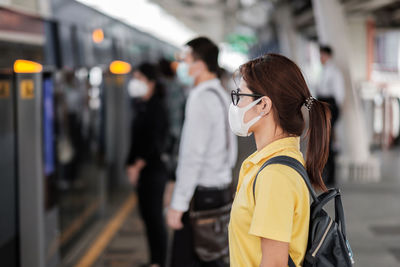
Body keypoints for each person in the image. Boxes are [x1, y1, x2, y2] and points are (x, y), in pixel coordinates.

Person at [228, 54, 331, 267]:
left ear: (263, 105)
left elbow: (274, 264)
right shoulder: (274, 163)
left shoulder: (274, 176)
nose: (236, 106)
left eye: (241, 96)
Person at [166, 37, 237, 267]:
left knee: (187, 259)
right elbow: (231, 148)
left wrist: (178, 204)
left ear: (200, 63)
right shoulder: (221, 94)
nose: (183, 66)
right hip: (221, 189)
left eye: (187, 60)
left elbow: (191, 156)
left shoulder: (200, 99)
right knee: (213, 256)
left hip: (201, 196)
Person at [126, 63, 169, 267]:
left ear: (151, 82)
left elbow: (155, 143)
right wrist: (130, 163)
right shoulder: (141, 105)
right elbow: (136, 140)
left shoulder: (156, 107)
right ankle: (154, 260)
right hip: (145, 172)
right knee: (147, 217)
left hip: (153, 172)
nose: (135, 83)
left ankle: (158, 262)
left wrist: (136, 166)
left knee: (154, 219)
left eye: (139, 79)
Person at [316, 45, 345, 186]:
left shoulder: (334, 72)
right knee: (324, 141)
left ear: (329, 56)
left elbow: (339, 95)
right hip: (323, 105)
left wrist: (334, 111)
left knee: (328, 142)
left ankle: (330, 176)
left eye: (323, 55)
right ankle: (324, 173)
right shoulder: (323, 72)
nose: (321, 58)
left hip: (330, 106)